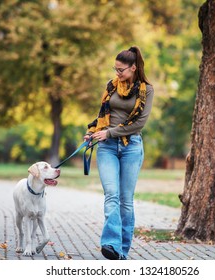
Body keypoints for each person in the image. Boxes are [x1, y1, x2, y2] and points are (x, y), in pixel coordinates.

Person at [84, 46, 154, 260]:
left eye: (121, 70)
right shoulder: (112, 86)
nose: (117, 73)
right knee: (111, 195)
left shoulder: (146, 90)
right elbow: (102, 115)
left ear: (133, 68)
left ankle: (122, 250)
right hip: (106, 148)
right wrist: (93, 132)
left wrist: (109, 133)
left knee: (125, 199)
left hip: (131, 146)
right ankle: (111, 244)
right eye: (115, 69)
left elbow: (139, 123)